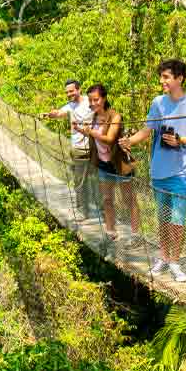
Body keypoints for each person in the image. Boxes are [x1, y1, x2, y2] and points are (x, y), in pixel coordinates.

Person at [122, 59, 186, 282]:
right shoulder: (158, 103)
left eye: (166, 77)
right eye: (161, 77)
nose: (162, 81)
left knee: (177, 220)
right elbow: (147, 130)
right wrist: (129, 141)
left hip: (181, 173)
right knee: (163, 219)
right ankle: (163, 258)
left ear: (180, 78)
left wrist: (182, 140)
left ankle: (175, 263)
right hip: (159, 171)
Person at [77, 84, 140, 254]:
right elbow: (94, 137)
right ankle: (111, 232)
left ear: (103, 98)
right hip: (104, 164)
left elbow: (109, 139)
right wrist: (81, 130)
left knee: (129, 200)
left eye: (96, 99)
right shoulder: (93, 117)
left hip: (119, 165)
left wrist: (90, 131)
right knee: (106, 199)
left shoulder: (115, 116)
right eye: (90, 100)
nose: (93, 103)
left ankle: (136, 235)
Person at [41, 79, 99, 221]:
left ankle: (101, 211)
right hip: (78, 148)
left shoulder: (89, 102)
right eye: (67, 92)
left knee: (98, 180)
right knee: (79, 181)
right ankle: (82, 211)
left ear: (79, 90)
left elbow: (102, 113)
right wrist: (51, 114)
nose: (69, 94)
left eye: (71, 91)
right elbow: (59, 113)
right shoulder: (70, 106)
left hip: (95, 147)